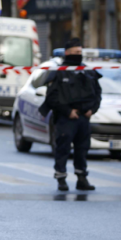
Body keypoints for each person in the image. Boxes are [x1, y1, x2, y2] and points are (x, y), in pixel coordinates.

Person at [39, 38, 102, 191]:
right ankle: (61, 179)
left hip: (83, 117)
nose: (78, 55)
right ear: (67, 53)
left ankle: (82, 179)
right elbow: (52, 97)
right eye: (75, 52)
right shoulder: (59, 72)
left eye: (80, 52)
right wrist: (68, 111)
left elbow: (98, 93)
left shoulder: (88, 71)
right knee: (63, 150)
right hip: (66, 118)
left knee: (82, 149)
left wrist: (92, 110)